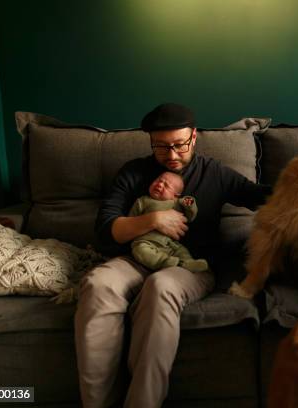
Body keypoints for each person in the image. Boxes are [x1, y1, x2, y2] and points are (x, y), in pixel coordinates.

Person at [74, 103, 271, 408]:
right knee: (98, 283)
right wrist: (152, 221)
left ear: (194, 137)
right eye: (161, 147)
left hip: (189, 266)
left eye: (179, 144)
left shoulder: (214, 173)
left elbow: (262, 197)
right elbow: (105, 228)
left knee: (161, 286)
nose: (172, 154)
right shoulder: (134, 172)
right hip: (135, 258)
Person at [130, 171, 208, 272]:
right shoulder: (143, 201)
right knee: (140, 251)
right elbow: (131, 220)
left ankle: (188, 263)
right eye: (158, 180)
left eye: (166, 185)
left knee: (182, 251)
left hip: (170, 244)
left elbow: (190, 217)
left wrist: (189, 204)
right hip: (145, 242)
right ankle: (175, 264)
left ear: (175, 195)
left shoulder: (176, 203)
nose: (160, 184)